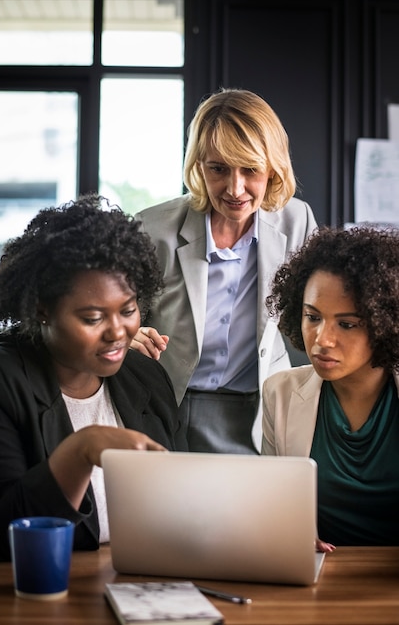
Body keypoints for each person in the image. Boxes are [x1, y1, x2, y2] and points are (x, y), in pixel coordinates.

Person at [0, 193, 187, 561]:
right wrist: (82, 449)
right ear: (42, 311)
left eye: (129, 310)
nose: (118, 332)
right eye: (93, 318)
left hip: (143, 584)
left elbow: (183, 504)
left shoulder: (147, 377)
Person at [131, 88, 317, 454]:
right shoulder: (152, 229)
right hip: (167, 403)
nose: (235, 189)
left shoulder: (297, 221)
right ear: (198, 165)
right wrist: (129, 335)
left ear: (273, 169)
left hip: (259, 405)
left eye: (250, 170)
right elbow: (119, 321)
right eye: (218, 168)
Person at [262, 225, 399, 551]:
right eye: (313, 317)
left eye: (347, 324)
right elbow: (273, 510)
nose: (322, 339)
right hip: (315, 578)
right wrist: (286, 533)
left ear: (385, 324)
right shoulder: (279, 393)